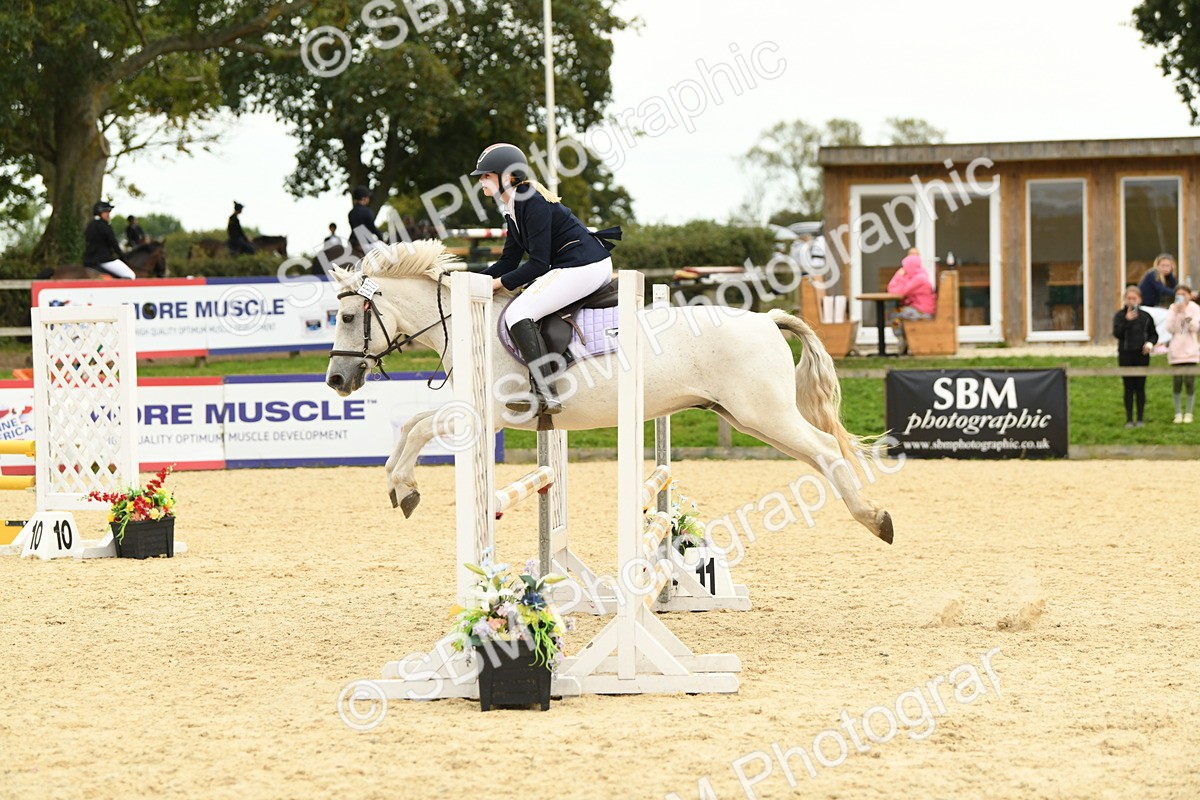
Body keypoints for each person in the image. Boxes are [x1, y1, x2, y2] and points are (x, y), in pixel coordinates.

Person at [472, 142, 621, 416]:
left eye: (486, 175)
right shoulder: (513, 205)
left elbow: (538, 264)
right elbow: (509, 262)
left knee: (518, 312)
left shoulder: (529, 200)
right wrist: (468, 280)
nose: (481, 181)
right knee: (526, 306)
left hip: (584, 265)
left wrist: (499, 284)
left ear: (507, 176)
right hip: (575, 265)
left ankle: (546, 393)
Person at [1113, 285, 1158, 429]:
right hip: (1125, 354)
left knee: (1140, 388)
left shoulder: (1146, 316)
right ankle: (1129, 419)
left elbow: (1154, 334)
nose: (1131, 301)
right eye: (1129, 298)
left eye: (1134, 298)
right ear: (1124, 299)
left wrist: (1150, 344)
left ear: (1140, 299)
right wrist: (1126, 320)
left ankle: (1140, 418)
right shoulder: (1120, 315)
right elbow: (1117, 334)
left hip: (1141, 355)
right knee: (1128, 388)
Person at [886, 253, 935, 355]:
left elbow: (897, 291)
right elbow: (897, 289)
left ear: (911, 266)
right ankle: (903, 340)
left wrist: (898, 276)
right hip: (920, 309)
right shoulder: (918, 276)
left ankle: (901, 339)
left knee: (893, 314)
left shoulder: (919, 279)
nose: (904, 269)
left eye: (905, 266)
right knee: (897, 318)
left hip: (922, 311)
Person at [1166, 284, 1200, 423]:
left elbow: (1195, 327)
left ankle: (1189, 413)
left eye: (1184, 294)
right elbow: (1170, 328)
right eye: (1178, 294)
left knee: (1190, 382)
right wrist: (1176, 313)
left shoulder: (1195, 308)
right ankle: (1178, 412)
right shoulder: (1172, 308)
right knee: (1177, 382)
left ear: (1189, 295)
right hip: (1176, 351)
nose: (1181, 297)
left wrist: (1185, 313)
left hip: (1191, 350)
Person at [82, 201, 135, 279]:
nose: (108, 215)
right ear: (100, 213)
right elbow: (113, 243)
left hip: (89, 260)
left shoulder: (90, 225)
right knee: (130, 275)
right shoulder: (105, 226)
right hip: (104, 260)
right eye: (106, 212)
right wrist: (123, 257)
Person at [348, 186, 386, 257]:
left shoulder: (351, 213)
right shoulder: (367, 211)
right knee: (386, 251)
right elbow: (372, 228)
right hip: (365, 242)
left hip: (353, 241)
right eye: (368, 197)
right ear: (364, 198)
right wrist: (381, 238)